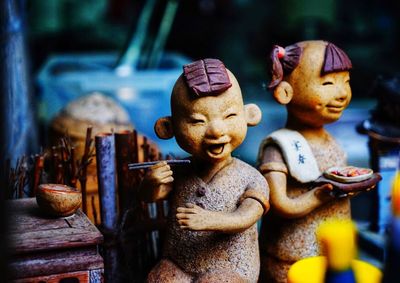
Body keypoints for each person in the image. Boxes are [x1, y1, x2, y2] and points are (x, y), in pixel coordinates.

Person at [140, 58, 270, 282]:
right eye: (198, 121)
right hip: (177, 263)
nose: (216, 131)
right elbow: (150, 197)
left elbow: (247, 216)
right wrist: (151, 183)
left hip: (231, 268)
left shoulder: (251, 177)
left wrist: (208, 220)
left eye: (229, 116)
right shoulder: (180, 170)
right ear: (168, 127)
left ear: (249, 115)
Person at [257, 40, 373, 283]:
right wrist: (321, 195)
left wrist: (355, 187)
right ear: (285, 92)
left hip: (336, 256)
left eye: (346, 82)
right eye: (328, 83)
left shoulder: (331, 141)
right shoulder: (279, 146)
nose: (342, 93)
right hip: (292, 258)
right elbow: (279, 204)